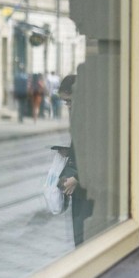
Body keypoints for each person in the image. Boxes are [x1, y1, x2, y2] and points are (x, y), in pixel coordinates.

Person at [54, 75, 94, 247]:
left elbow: (99, 153)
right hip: (80, 188)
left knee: (85, 237)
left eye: (69, 101)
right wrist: (68, 151)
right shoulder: (80, 114)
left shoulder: (92, 116)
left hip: (89, 188)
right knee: (80, 237)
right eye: (65, 102)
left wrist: (77, 178)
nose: (68, 106)